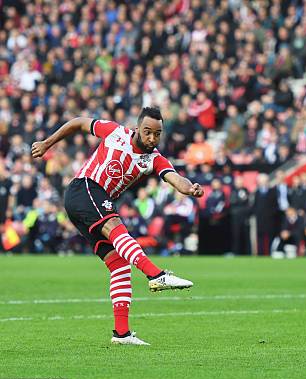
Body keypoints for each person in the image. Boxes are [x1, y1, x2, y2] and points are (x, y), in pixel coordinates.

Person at [31, 107, 204, 346]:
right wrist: (47, 143)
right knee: (114, 223)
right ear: (136, 129)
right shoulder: (115, 132)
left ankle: (121, 334)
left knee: (119, 264)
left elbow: (175, 178)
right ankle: (156, 275)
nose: (152, 138)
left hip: (89, 204)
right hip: (85, 188)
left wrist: (190, 188)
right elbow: (79, 122)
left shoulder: (154, 159)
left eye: (157, 134)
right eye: (147, 132)